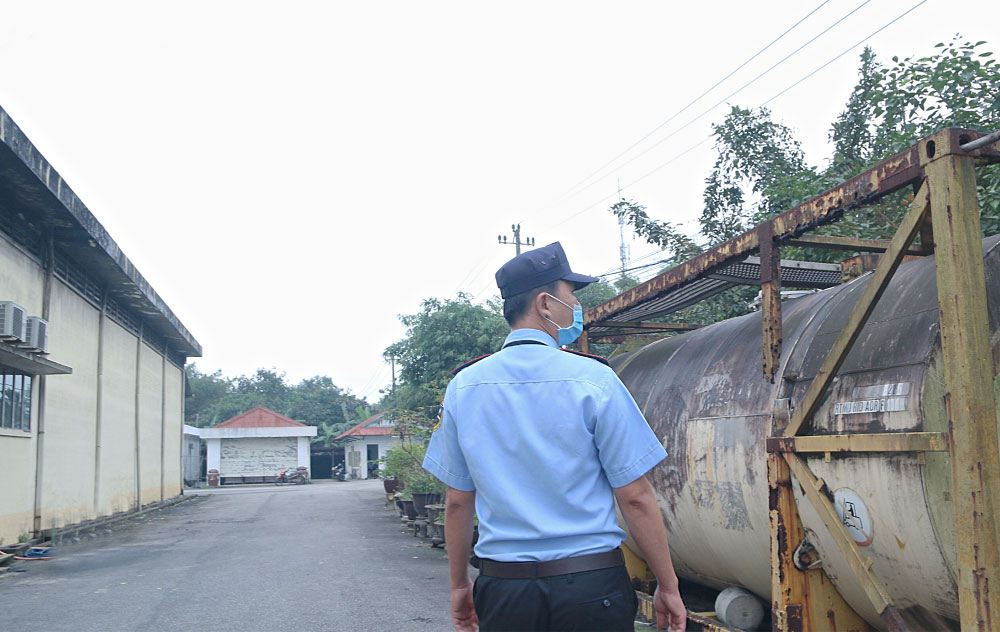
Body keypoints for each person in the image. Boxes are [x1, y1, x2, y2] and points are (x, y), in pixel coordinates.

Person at [423, 242, 686, 632]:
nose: (576, 306)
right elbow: (635, 496)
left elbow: (458, 503)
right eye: (571, 296)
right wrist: (668, 585)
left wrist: (460, 585)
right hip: (592, 588)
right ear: (546, 304)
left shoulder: (464, 387)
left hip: (505, 590)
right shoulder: (595, 380)